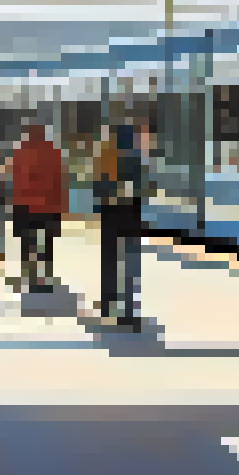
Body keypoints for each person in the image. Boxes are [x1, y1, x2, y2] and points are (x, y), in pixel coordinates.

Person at [96, 123, 146, 326]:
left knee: (109, 258)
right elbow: (143, 185)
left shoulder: (106, 155)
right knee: (130, 260)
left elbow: (98, 185)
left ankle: (108, 305)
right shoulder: (135, 156)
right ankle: (127, 310)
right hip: (131, 211)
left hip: (110, 210)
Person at [9, 125, 67, 294]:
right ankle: (45, 278)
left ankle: (29, 278)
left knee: (28, 244)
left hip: (26, 205)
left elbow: (18, 181)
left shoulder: (21, 151)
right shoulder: (54, 151)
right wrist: (62, 205)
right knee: (47, 244)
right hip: (49, 205)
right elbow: (60, 180)